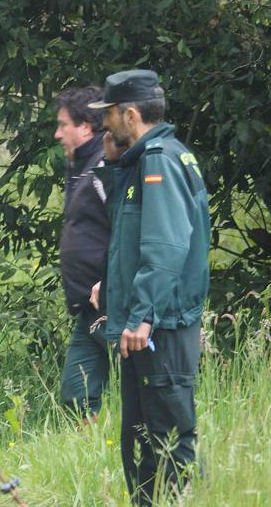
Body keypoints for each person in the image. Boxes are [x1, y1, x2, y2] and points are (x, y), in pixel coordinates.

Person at [90, 69, 210, 504]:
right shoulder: (152, 158)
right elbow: (138, 236)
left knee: (166, 440)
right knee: (143, 440)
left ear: (132, 114)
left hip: (160, 327)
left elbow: (165, 244)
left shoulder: (158, 160)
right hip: (153, 324)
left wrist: (141, 315)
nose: (106, 123)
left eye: (111, 115)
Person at [53, 86, 111, 421]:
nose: (57, 133)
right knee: (77, 394)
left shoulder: (105, 166)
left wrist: (110, 281)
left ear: (86, 126)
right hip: (89, 308)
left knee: (150, 389)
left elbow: (129, 230)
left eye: (63, 125)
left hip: (116, 302)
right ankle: (91, 462)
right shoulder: (81, 166)